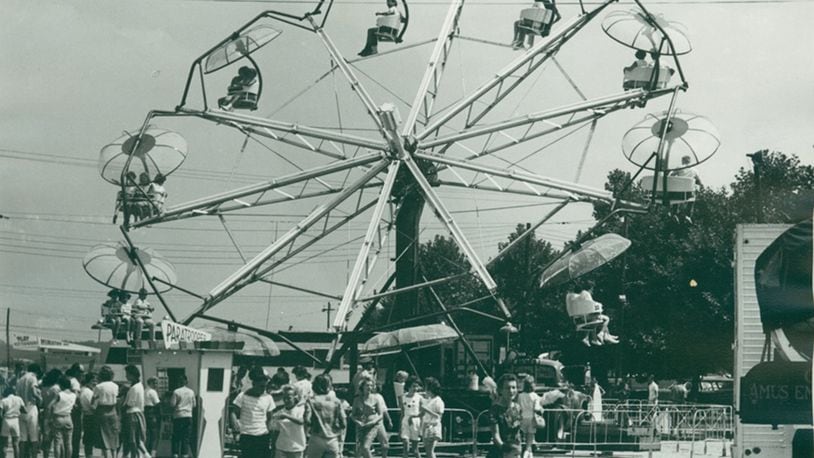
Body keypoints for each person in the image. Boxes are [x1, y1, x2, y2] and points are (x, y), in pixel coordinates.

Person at [231, 368, 275, 458]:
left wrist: (270, 434)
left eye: (265, 386)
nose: (263, 389)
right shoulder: (242, 396)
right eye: (261, 386)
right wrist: (235, 428)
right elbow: (233, 413)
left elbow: (270, 418)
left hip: (263, 436)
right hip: (247, 436)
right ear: (253, 384)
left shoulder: (268, 398)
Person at [304, 374, 346, 458]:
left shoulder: (311, 401)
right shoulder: (337, 401)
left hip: (317, 437)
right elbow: (343, 423)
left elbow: (307, 421)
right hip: (333, 439)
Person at [351, 379, 389, 458]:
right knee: (362, 448)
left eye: (371, 385)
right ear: (363, 387)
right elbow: (352, 415)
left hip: (375, 424)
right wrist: (357, 422)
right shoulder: (357, 399)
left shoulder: (376, 398)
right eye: (367, 385)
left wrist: (373, 422)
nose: (369, 387)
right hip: (362, 426)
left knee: (384, 445)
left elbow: (380, 414)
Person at [489, 374, 522, 458]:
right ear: (500, 390)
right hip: (500, 452)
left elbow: (518, 433)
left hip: (515, 451)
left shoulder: (518, 408)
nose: (511, 391)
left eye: (514, 387)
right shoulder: (495, 410)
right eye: (508, 388)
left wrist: (518, 450)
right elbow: (496, 436)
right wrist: (506, 452)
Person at [272, 385, 309, 458]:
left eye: (289, 398)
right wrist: (273, 445)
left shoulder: (300, 409)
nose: (286, 401)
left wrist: (286, 416)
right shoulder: (280, 412)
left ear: (295, 397)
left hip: (297, 447)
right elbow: (276, 431)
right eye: (284, 398)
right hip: (281, 447)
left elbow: (301, 421)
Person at [120, 365, 148, 458]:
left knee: (132, 440)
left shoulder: (134, 388)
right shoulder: (139, 386)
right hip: (137, 413)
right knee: (136, 439)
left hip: (132, 415)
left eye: (127, 374)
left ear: (133, 375)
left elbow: (130, 404)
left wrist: (121, 408)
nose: (126, 376)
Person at [92, 366, 119, 458]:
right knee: (113, 434)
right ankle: (114, 455)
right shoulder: (115, 386)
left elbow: (93, 400)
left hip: (102, 411)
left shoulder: (98, 387)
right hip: (113, 410)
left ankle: (106, 456)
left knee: (103, 435)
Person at [16, 363, 41, 458]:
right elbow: (34, 391)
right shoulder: (33, 378)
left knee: (23, 438)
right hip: (31, 408)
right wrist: (40, 399)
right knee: (34, 437)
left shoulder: (20, 379)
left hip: (21, 409)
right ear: (36, 371)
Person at [48, 376, 77, 458]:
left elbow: (50, 406)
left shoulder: (59, 395)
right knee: (68, 442)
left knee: (57, 442)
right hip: (68, 417)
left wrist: (49, 417)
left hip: (58, 418)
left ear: (61, 385)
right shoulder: (73, 395)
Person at [170, 375, 196, 458]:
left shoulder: (176, 391)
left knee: (176, 437)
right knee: (186, 438)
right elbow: (194, 405)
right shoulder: (191, 392)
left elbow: (172, 404)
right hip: (188, 416)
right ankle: (185, 455)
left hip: (178, 416)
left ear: (178, 382)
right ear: (186, 382)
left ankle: (175, 455)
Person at [517, 375, 542, 458]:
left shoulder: (520, 396)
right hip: (532, 419)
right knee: (529, 442)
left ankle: (523, 454)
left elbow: (518, 406)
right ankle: (527, 454)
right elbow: (537, 408)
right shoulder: (535, 396)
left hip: (522, 418)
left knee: (522, 438)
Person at [41, 368, 64, 458]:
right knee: (58, 441)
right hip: (55, 414)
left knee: (46, 440)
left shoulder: (44, 388)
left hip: (45, 415)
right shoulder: (57, 388)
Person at [420, 377, 444, 458]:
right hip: (426, 426)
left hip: (433, 426)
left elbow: (438, 416)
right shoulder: (428, 400)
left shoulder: (438, 400)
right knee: (428, 451)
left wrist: (426, 409)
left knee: (430, 451)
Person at [1, 386, 26, 458]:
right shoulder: (19, 399)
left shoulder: (3, 400)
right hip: (15, 420)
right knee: (16, 443)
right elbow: (24, 410)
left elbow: (0, 413)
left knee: (4, 444)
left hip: (6, 420)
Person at [400, 376, 422, 458]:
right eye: (413, 386)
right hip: (405, 421)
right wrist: (400, 427)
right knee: (405, 444)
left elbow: (422, 412)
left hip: (416, 422)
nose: (415, 388)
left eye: (417, 386)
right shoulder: (403, 397)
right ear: (409, 386)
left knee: (415, 449)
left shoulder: (419, 398)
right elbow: (402, 412)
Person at [64, 364, 83, 458]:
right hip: (74, 411)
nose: (82, 374)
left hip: (66, 409)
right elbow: (76, 396)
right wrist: (81, 406)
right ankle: (74, 454)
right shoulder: (75, 382)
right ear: (76, 372)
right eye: (81, 372)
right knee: (76, 434)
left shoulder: (66, 379)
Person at [78, 373, 96, 458]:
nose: (95, 383)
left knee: (89, 438)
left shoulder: (85, 390)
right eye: (93, 381)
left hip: (87, 416)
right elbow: (92, 406)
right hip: (90, 416)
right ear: (88, 381)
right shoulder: (88, 392)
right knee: (89, 439)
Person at [144, 377, 160, 457]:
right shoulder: (152, 392)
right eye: (155, 383)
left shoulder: (145, 390)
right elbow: (157, 404)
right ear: (150, 383)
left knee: (148, 435)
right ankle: (153, 454)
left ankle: (147, 453)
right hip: (152, 413)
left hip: (145, 413)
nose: (156, 385)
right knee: (155, 435)